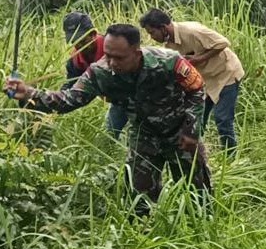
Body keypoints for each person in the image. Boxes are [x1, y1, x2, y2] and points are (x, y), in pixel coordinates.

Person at [5, 24, 210, 214]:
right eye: (108, 55)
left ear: (136, 53)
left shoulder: (169, 62)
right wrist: (30, 94)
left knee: (198, 195)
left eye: (119, 58)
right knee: (139, 200)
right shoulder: (99, 72)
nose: (112, 63)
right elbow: (69, 100)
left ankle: (202, 236)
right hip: (143, 136)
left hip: (180, 132)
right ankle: (143, 238)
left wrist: (191, 131)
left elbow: (196, 89)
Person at [139, 8, 244, 153]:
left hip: (226, 74)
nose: (152, 37)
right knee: (197, 118)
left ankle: (231, 155)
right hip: (205, 80)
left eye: (152, 32)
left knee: (223, 119)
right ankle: (198, 154)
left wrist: (198, 59)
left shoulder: (192, 31)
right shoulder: (169, 46)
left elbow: (223, 42)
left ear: (163, 28)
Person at [62, 11, 128, 138]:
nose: (79, 46)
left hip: (137, 98)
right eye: (75, 42)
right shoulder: (75, 62)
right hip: (117, 102)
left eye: (82, 40)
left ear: (93, 34)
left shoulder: (113, 48)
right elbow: (71, 87)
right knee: (109, 137)